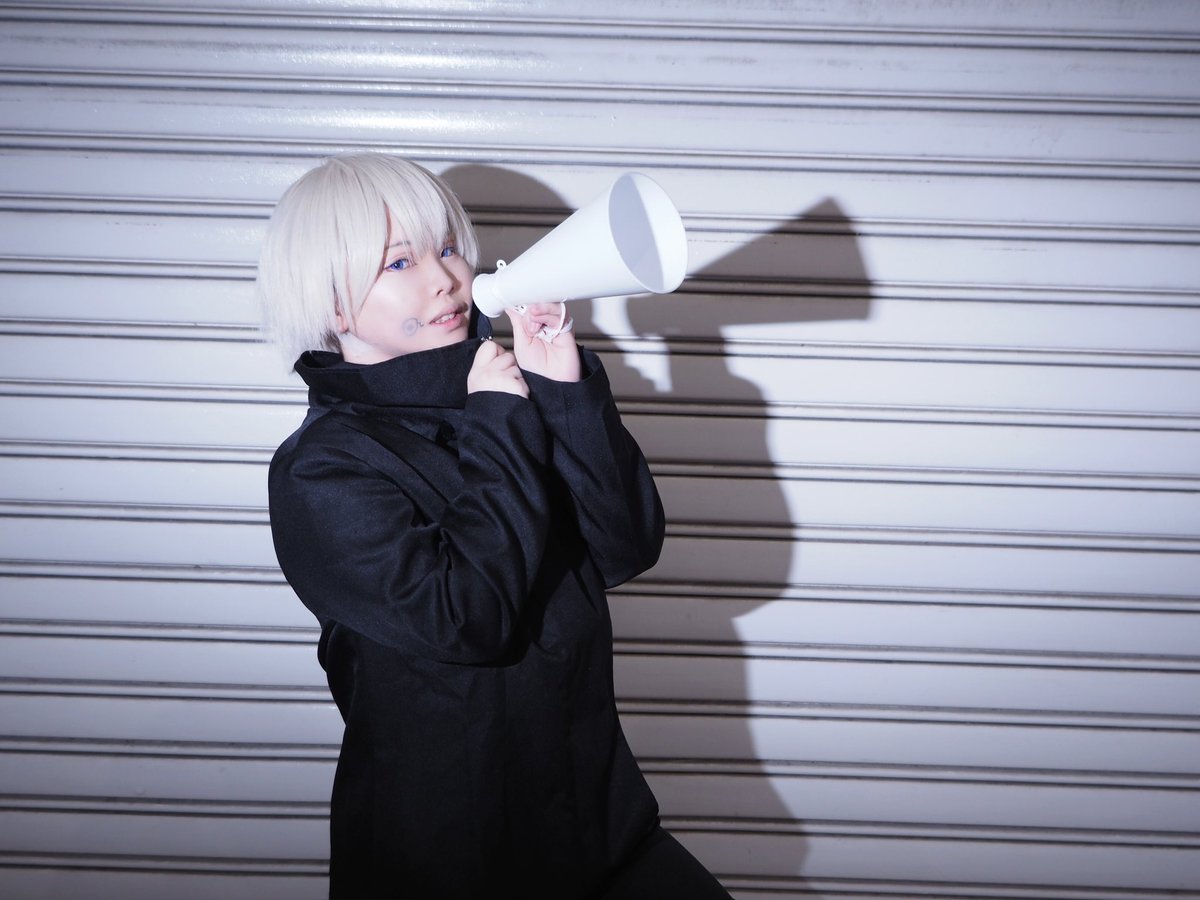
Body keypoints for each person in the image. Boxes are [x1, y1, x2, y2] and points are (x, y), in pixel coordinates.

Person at [257, 152, 731, 900]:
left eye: (448, 247)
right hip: (456, 861)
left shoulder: (498, 393)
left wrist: (562, 392)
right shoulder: (321, 470)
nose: (445, 278)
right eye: (400, 262)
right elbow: (467, 618)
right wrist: (502, 422)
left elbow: (625, 547)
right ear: (334, 305)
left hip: (599, 826)